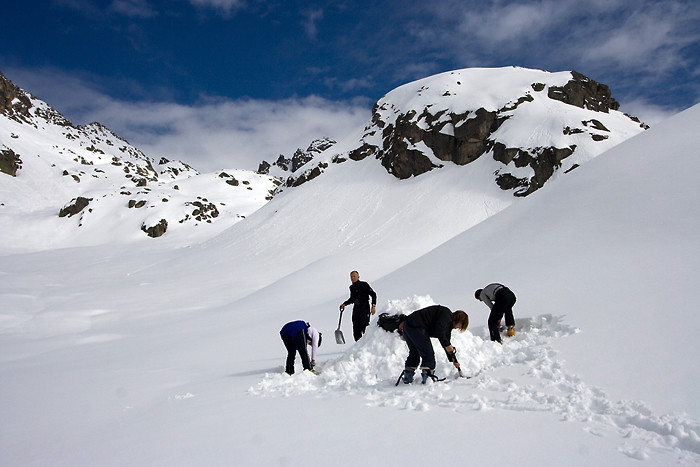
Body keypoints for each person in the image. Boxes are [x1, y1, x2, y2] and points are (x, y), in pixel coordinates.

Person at [398, 305, 469, 384]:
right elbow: (440, 332)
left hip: (408, 325)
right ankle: (427, 377)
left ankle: (408, 376)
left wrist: (453, 359)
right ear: (459, 320)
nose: (459, 328)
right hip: (416, 326)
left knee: (414, 352)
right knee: (428, 353)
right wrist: (447, 345)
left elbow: (446, 341)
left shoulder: (448, 325)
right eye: (461, 325)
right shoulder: (447, 316)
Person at [339, 270, 377, 341]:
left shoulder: (364, 284)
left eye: (354, 276)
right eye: (351, 277)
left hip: (364, 307)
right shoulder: (351, 287)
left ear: (358, 277)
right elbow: (352, 299)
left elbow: (373, 294)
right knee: (356, 326)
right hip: (356, 308)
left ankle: (367, 344)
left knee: (364, 325)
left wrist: (373, 306)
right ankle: (358, 345)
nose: (353, 278)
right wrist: (344, 304)